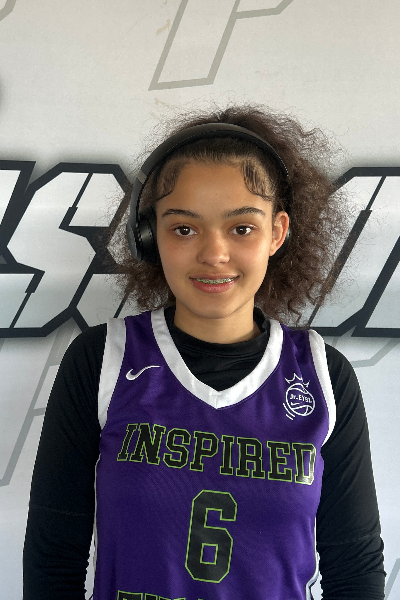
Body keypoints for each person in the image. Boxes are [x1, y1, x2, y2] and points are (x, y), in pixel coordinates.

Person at [23, 105, 385, 600]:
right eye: (184, 228)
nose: (214, 254)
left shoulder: (323, 375)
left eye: (242, 228)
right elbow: (53, 559)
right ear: (149, 236)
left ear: (277, 233)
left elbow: (356, 570)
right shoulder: (102, 360)